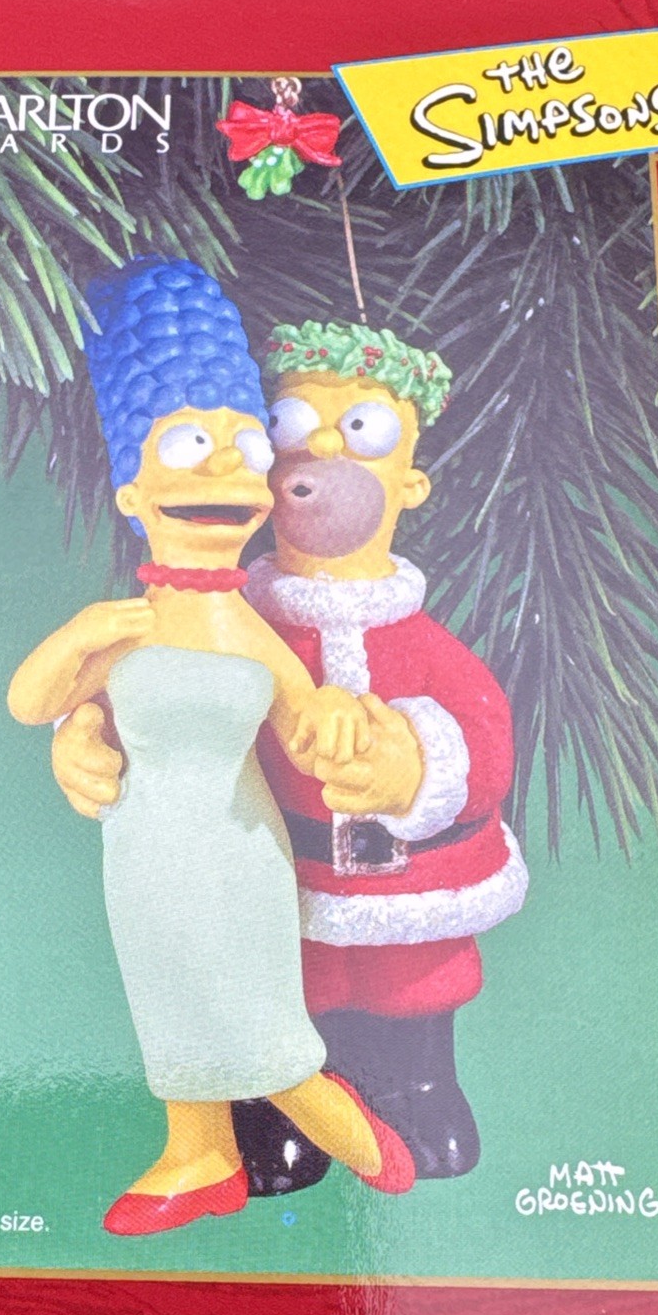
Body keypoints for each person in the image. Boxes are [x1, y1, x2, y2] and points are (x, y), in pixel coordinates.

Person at [53, 317, 527, 1188]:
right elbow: (156, 688)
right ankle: (270, 1113)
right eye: (292, 431)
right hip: (271, 880)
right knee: (272, 988)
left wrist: (416, 764)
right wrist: (88, 737)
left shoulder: (423, 646)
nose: (320, 462)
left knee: (411, 985)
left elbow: (485, 735)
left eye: (361, 433)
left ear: (411, 482)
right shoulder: (222, 620)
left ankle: (419, 1087)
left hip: (407, 889)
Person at [8, 263, 414, 1237]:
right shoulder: (128, 622)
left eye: (245, 449)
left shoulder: (246, 626)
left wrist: (337, 726)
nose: (225, 474)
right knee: (166, 990)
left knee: (241, 992)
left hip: (239, 851)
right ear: (131, 489)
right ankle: (199, 1154)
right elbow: (32, 703)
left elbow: (303, 719)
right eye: (192, 446)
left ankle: (322, 1104)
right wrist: (79, 668)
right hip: (140, 851)